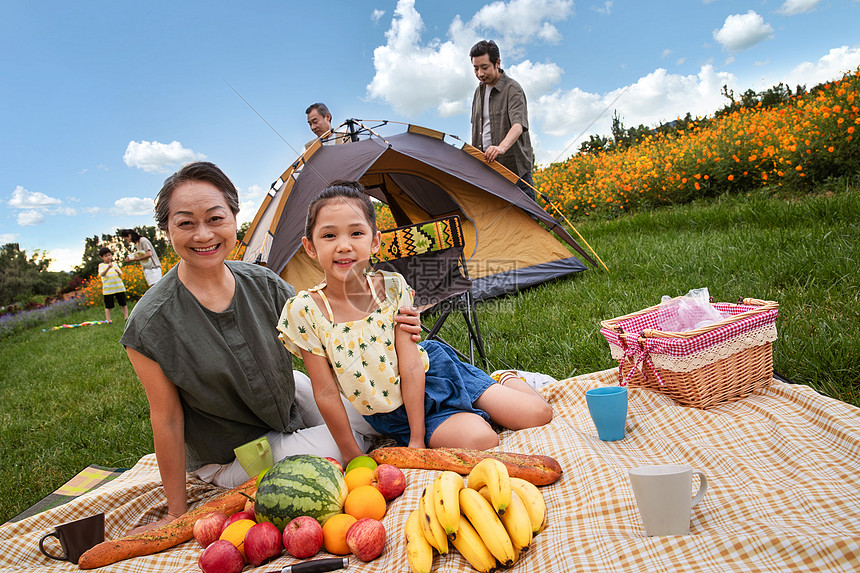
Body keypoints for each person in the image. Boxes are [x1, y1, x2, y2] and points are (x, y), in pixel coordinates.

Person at [120, 162, 422, 532]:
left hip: (284, 401)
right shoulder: (150, 323)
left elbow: (331, 333)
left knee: (380, 408)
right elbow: (166, 419)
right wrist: (174, 514)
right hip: (235, 449)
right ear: (167, 230)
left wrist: (393, 321)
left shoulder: (264, 283)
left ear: (234, 218)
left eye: (215, 218)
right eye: (185, 223)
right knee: (351, 442)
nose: (203, 235)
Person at [277, 182, 553, 464]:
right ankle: (474, 410)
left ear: (374, 242)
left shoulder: (393, 287)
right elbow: (325, 393)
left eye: (356, 233)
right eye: (329, 235)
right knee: (483, 440)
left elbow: (410, 365)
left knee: (539, 415)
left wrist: (418, 439)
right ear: (310, 247)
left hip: (433, 372)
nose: (344, 245)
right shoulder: (305, 311)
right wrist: (351, 454)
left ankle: (504, 378)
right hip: (393, 411)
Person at [469, 40, 537, 201]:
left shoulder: (512, 89)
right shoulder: (478, 92)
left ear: (497, 63)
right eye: (476, 68)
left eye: (484, 67)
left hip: (514, 168)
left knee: (526, 219)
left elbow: (518, 125)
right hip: (488, 169)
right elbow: (480, 129)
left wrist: (501, 147)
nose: (480, 73)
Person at [97, 247, 128, 321]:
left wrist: (118, 272)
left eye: (109, 255)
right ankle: (108, 320)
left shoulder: (114, 264)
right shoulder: (101, 265)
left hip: (119, 287)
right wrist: (108, 268)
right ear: (102, 257)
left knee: (123, 303)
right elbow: (102, 274)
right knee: (108, 305)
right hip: (108, 289)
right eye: (105, 256)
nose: (108, 257)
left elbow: (121, 274)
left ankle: (126, 317)